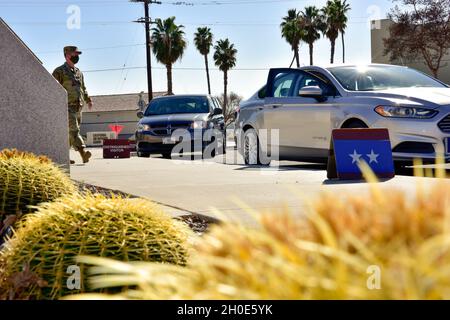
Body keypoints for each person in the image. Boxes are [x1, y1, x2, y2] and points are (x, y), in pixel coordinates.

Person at [52, 46, 92, 164]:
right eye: (75, 54)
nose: (77, 56)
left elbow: (83, 88)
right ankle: (83, 154)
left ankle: (64, 156)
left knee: (71, 133)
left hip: (79, 107)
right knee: (74, 131)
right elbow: (53, 88)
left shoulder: (79, 72)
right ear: (68, 55)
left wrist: (88, 99)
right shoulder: (59, 71)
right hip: (66, 106)